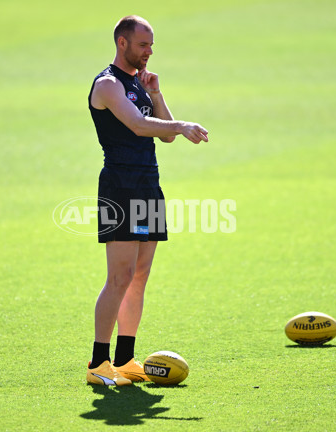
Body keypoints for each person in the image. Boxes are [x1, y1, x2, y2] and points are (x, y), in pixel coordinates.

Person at [87, 15, 209, 386]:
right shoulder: (108, 85)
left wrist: (155, 93)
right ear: (122, 43)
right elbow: (141, 127)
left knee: (139, 276)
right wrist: (181, 125)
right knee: (119, 276)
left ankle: (125, 359)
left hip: (147, 184)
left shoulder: (139, 85)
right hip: (120, 186)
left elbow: (165, 136)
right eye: (143, 45)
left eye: (151, 45)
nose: (149, 52)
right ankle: (98, 363)